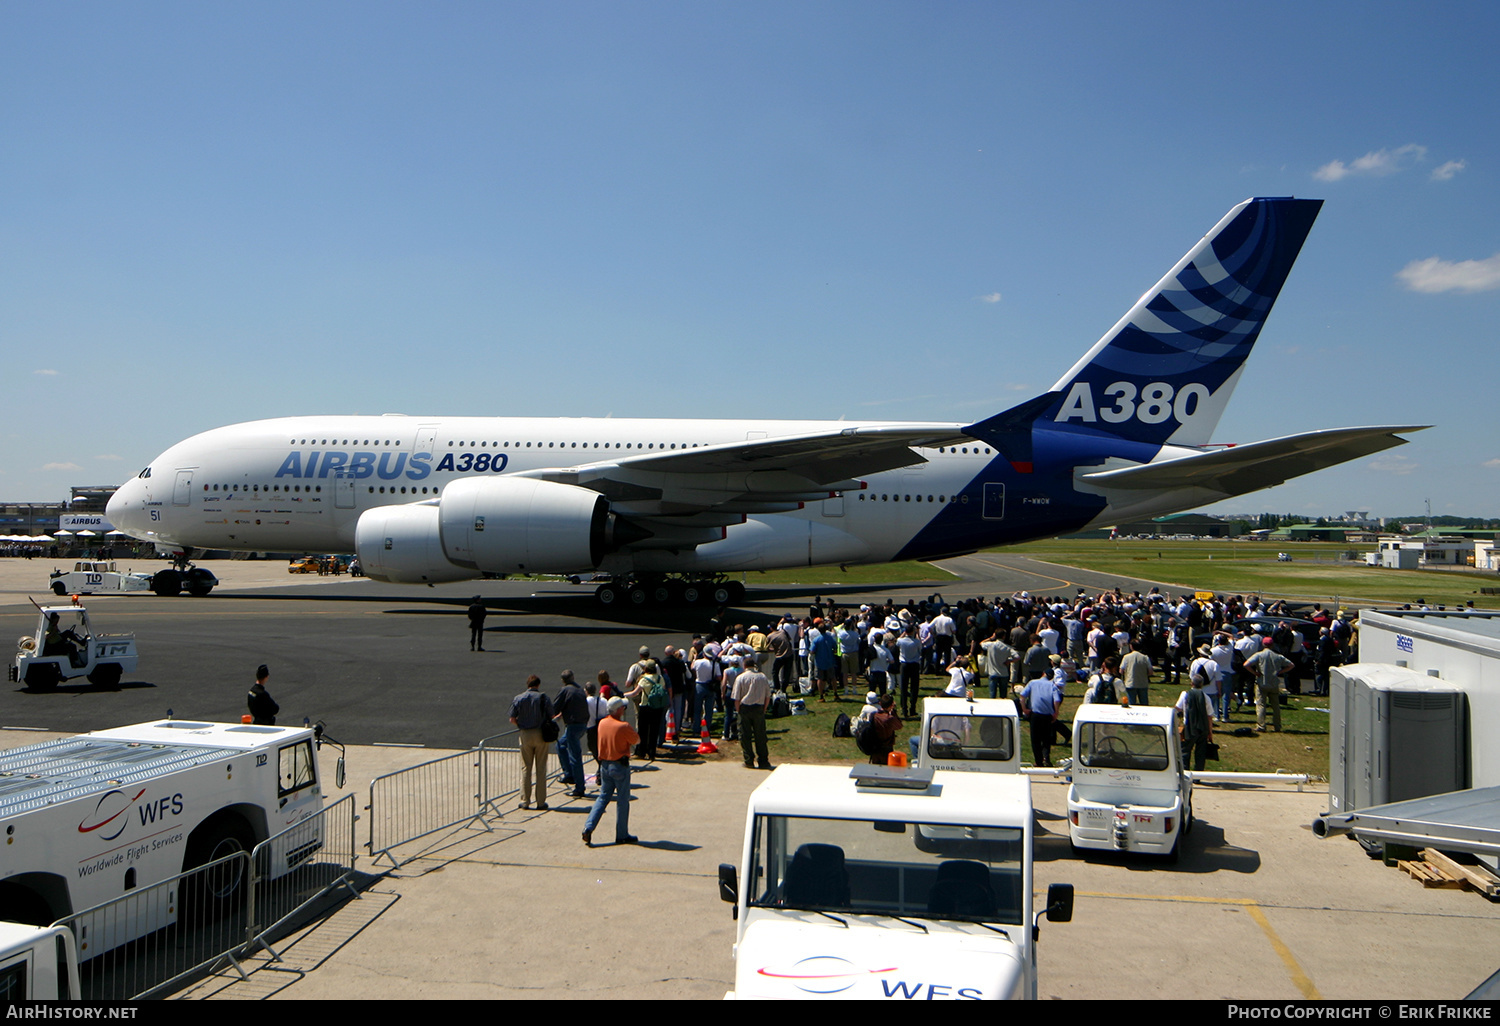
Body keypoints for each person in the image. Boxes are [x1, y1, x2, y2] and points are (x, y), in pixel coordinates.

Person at [581, 697, 640, 847]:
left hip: (605, 765)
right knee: (622, 800)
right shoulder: (623, 726)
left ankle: (588, 827)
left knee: (603, 798)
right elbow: (636, 740)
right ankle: (622, 834)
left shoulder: (602, 723)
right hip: (619, 765)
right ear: (619, 710)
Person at [509, 674, 554, 810]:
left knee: (526, 768)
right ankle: (540, 802)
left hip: (525, 734)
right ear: (538, 685)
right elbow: (551, 715)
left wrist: (521, 726)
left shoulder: (519, 698)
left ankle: (525, 801)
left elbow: (512, 718)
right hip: (541, 734)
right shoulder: (543, 698)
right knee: (541, 769)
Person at [730, 656, 773, 769]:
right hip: (759, 707)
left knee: (745, 735)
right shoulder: (762, 677)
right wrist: (764, 708)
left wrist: (739, 710)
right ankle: (763, 760)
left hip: (745, 708)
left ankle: (749, 760)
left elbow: (736, 698)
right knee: (760, 735)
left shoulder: (740, 678)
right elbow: (768, 696)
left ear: (744, 666)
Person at [553, 670, 590, 798]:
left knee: (575, 757)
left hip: (573, 726)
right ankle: (569, 774)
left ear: (563, 681)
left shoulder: (565, 690)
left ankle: (579, 787)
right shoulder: (579, 689)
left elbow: (554, 708)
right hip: (582, 724)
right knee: (561, 745)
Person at [1018, 667, 1062, 767]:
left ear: (1043, 673)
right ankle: (1046, 757)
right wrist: (1056, 713)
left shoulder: (1033, 683)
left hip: (1035, 714)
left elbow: (1022, 696)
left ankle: (1038, 761)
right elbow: (1056, 701)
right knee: (1046, 738)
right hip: (1047, 715)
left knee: (1035, 739)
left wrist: (1024, 709)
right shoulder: (1052, 685)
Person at [1245, 638, 1292, 733]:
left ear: (1263, 644)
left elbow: (1246, 664)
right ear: (1272, 645)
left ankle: (1261, 725)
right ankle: (1277, 726)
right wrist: (1280, 672)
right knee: (1275, 706)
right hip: (1274, 683)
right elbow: (1291, 665)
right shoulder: (1278, 656)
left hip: (1262, 682)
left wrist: (1255, 673)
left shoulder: (1259, 655)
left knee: (1261, 704)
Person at [1177, 670, 1215, 772]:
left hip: (1189, 727)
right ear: (1202, 685)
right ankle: (1198, 775)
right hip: (1203, 728)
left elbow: (1177, 708)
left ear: (1191, 683)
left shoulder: (1185, 694)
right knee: (1200, 753)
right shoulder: (1206, 697)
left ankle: (1184, 773)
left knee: (1185, 751)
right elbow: (1209, 716)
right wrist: (1210, 733)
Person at [867, 694, 903, 766]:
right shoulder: (889, 718)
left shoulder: (874, 716)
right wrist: (893, 712)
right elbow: (899, 726)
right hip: (886, 749)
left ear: (880, 703)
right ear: (891, 705)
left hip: (875, 748)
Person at [1119, 641, 1152, 706]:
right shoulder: (1145, 657)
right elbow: (1150, 672)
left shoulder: (1126, 657)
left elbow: (1121, 671)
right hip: (1142, 683)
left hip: (1130, 682)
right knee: (1144, 704)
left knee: (1131, 704)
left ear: (1131, 646)